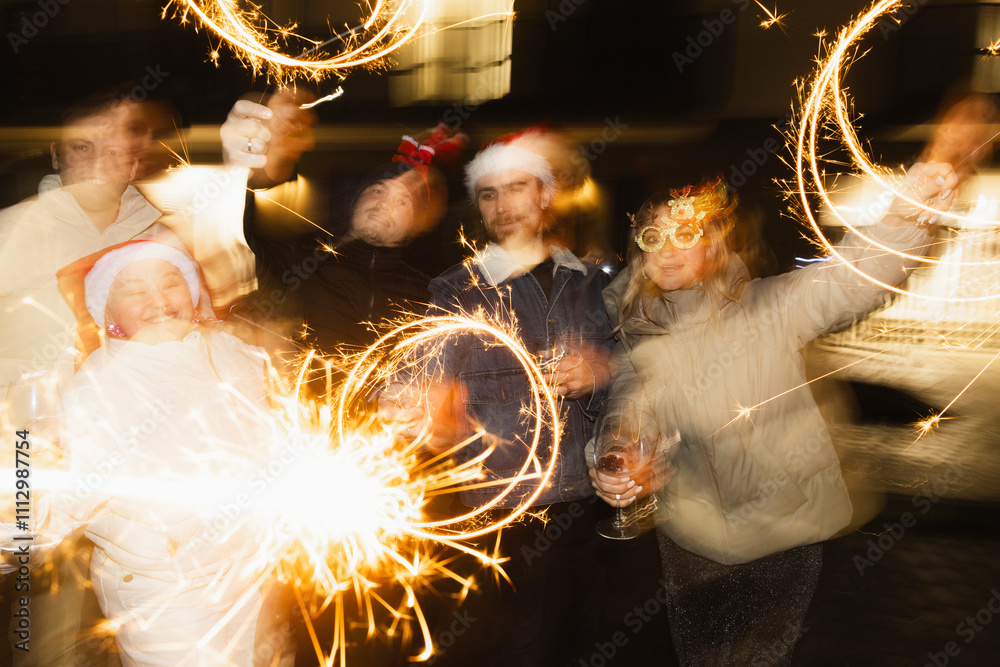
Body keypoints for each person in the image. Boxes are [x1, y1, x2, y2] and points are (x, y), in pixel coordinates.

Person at [589, 164, 958, 665]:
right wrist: (616, 455)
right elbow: (628, 415)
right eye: (654, 236)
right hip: (690, 538)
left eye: (685, 233)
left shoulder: (773, 307)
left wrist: (904, 216)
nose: (668, 249)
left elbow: (850, 281)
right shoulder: (640, 336)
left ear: (714, 242)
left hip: (782, 534)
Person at [397, 130, 613, 666]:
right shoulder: (458, 291)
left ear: (545, 195)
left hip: (592, 507)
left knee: (582, 641)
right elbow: (421, 368)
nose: (502, 205)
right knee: (521, 650)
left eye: (517, 187)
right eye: (489, 194)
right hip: (505, 516)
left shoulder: (593, 284)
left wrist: (603, 371)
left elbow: (642, 376)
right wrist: (408, 402)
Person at [46, 240, 273, 666]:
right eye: (135, 290)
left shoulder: (232, 353)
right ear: (108, 313)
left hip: (246, 575)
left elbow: (267, 440)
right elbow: (58, 503)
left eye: (171, 283)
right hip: (163, 592)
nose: (158, 301)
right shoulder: (97, 389)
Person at [220, 93, 460, 361]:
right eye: (378, 190)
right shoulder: (298, 265)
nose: (384, 204)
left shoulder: (431, 297)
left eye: (402, 201)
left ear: (418, 224)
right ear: (355, 202)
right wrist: (241, 170)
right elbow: (232, 243)